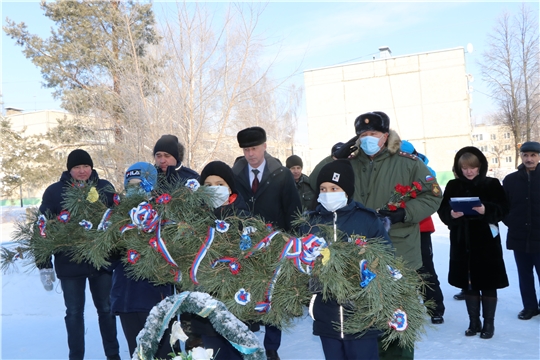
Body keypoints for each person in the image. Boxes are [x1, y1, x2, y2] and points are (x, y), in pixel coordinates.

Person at [310, 111, 442, 359]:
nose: (369, 138)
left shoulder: (408, 163)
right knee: (364, 321)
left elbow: (433, 194)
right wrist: (335, 157)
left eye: (374, 134)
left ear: (386, 135)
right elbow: (317, 182)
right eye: (363, 134)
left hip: (398, 255)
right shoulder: (348, 163)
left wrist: (404, 214)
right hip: (355, 259)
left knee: (396, 320)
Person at [302, 160, 391, 360]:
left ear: (347, 191)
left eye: (334, 188)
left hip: (362, 316)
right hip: (326, 315)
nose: (327, 193)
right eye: (323, 189)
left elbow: (387, 257)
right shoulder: (310, 222)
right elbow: (299, 261)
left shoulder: (366, 220)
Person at [38, 149, 120, 360]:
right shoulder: (55, 192)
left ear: (91, 168)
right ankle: (76, 356)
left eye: (85, 166)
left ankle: (113, 355)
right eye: (77, 167)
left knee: (106, 309)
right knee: (74, 313)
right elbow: (42, 227)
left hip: (101, 262)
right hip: (70, 263)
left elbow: (118, 222)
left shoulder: (104, 188)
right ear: (69, 169)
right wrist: (44, 264)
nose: (82, 171)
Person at [231, 126, 302, 360]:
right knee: (244, 293)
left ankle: (272, 348)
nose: (250, 154)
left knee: (273, 296)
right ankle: (245, 343)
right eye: (246, 149)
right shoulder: (236, 173)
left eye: (254, 148)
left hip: (275, 245)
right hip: (244, 246)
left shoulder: (280, 174)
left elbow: (293, 210)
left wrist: (291, 242)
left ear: (265, 146)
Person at [110, 161, 182, 358]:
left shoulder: (163, 213)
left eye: (139, 184)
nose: (134, 189)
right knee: (138, 352)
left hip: (154, 298)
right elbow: (108, 259)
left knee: (163, 352)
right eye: (130, 184)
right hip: (126, 299)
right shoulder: (117, 216)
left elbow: (173, 253)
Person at [437, 146, 509, 339]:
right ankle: (473, 322)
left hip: (486, 242)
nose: (469, 171)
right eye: (465, 168)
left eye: (472, 167)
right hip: (462, 242)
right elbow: (443, 210)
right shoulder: (453, 185)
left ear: (480, 167)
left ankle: (489, 324)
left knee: (487, 282)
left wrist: (487, 210)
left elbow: (504, 208)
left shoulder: (492, 184)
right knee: (468, 283)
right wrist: (451, 214)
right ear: (459, 168)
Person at [190, 160, 259, 360]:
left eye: (220, 184)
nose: (214, 189)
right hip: (206, 307)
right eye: (208, 185)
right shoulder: (195, 220)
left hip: (236, 306)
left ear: (230, 188)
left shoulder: (244, 218)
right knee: (214, 353)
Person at [400, 141, 445, 324]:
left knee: (424, 268)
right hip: (397, 228)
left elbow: (431, 196)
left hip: (420, 227)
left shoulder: (423, 170)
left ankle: (435, 308)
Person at [502, 141, 540, 320]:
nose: (529, 159)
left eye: (533, 155)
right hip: (520, 237)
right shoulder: (511, 180)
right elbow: (503, 207)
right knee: (524, 275)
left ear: (539, 157)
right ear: (521, 157)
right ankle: (530, 307)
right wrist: (513, 223)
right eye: (526, 155)